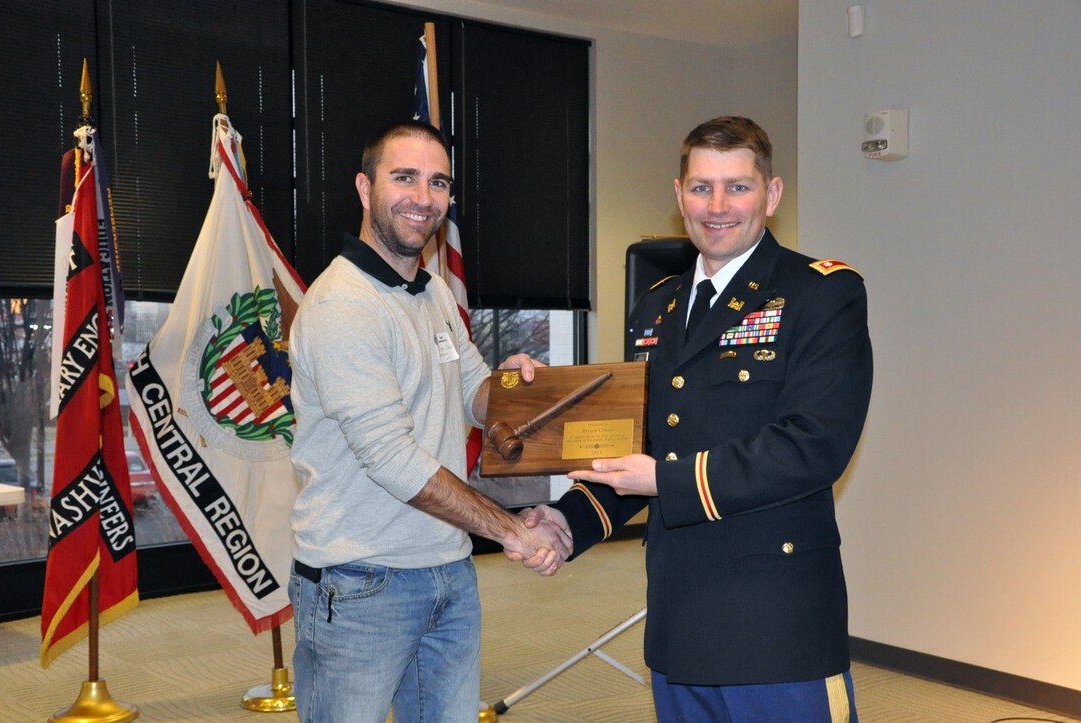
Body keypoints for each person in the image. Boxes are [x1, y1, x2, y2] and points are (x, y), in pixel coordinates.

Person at [523, 116, 873, 721]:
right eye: (701, 187)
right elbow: (647, 442)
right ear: (678, 194)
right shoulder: (656, 305)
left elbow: (814, 446)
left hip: (776, 622)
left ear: (773, 194)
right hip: (680, 616)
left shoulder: (820, 293)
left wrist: (667, 481)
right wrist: (566, 520)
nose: (717, 206)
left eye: (737, 186)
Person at [287, 120, 570, 723]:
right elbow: (393, 460)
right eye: (404, 177)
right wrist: (513, 531)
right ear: (365, 189)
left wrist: (514, 391)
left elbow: (472, 390)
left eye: (437, 182)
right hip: (362, 581)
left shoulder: (434, 291)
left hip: (446, 569)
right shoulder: (343, 306)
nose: (423, 197)